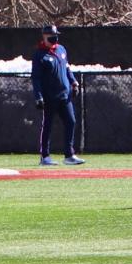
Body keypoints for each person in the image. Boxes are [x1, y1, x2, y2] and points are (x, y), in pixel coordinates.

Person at [30, 24, 84, 166]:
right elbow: (36, 77)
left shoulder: (61, 49)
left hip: (64, 95)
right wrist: (38, 97)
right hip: (49, 96)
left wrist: (74, 82)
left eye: (56, 35)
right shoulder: (40, 54)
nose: (55, 38)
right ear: (45, 36)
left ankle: (69, 155)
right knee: (48, 125)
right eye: (52, 36)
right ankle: (45, 157)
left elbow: (66, 68)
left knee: (71, 121)